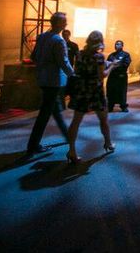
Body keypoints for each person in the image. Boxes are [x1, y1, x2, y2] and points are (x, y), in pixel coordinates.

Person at [66, 31, 118, 163]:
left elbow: (77, 70)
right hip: (96, 92)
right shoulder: (99, 57)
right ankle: (108, 143)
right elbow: (102, 75)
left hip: (81, 90)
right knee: (103, 120)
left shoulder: (79, 55)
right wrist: (111, 65)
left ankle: (71, 151)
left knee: (76, 121)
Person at [25, 12, 73, 156]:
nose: (66, 24)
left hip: (42, 78)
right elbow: (63, 61)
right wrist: (73, 75)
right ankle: (33, 145)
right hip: (53, 81)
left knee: (55, 109)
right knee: (45, 114)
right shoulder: (58, 40)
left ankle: (68, 136)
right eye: (64, 22)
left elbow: (33, 56)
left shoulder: (42, 36)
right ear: (58, 23)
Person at [106, 40, 131, 112]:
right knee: (111, 91)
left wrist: (116, 65)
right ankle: (110, 106)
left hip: (121, 76)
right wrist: (113, 65)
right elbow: (107, 64)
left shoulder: (126, 54)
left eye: (119, 44)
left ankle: (123, 106)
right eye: (116, 44)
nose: (117, 45)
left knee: (122, 91)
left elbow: (126, 64)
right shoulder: (111, 55)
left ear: (122, 46)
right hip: (112, 76)